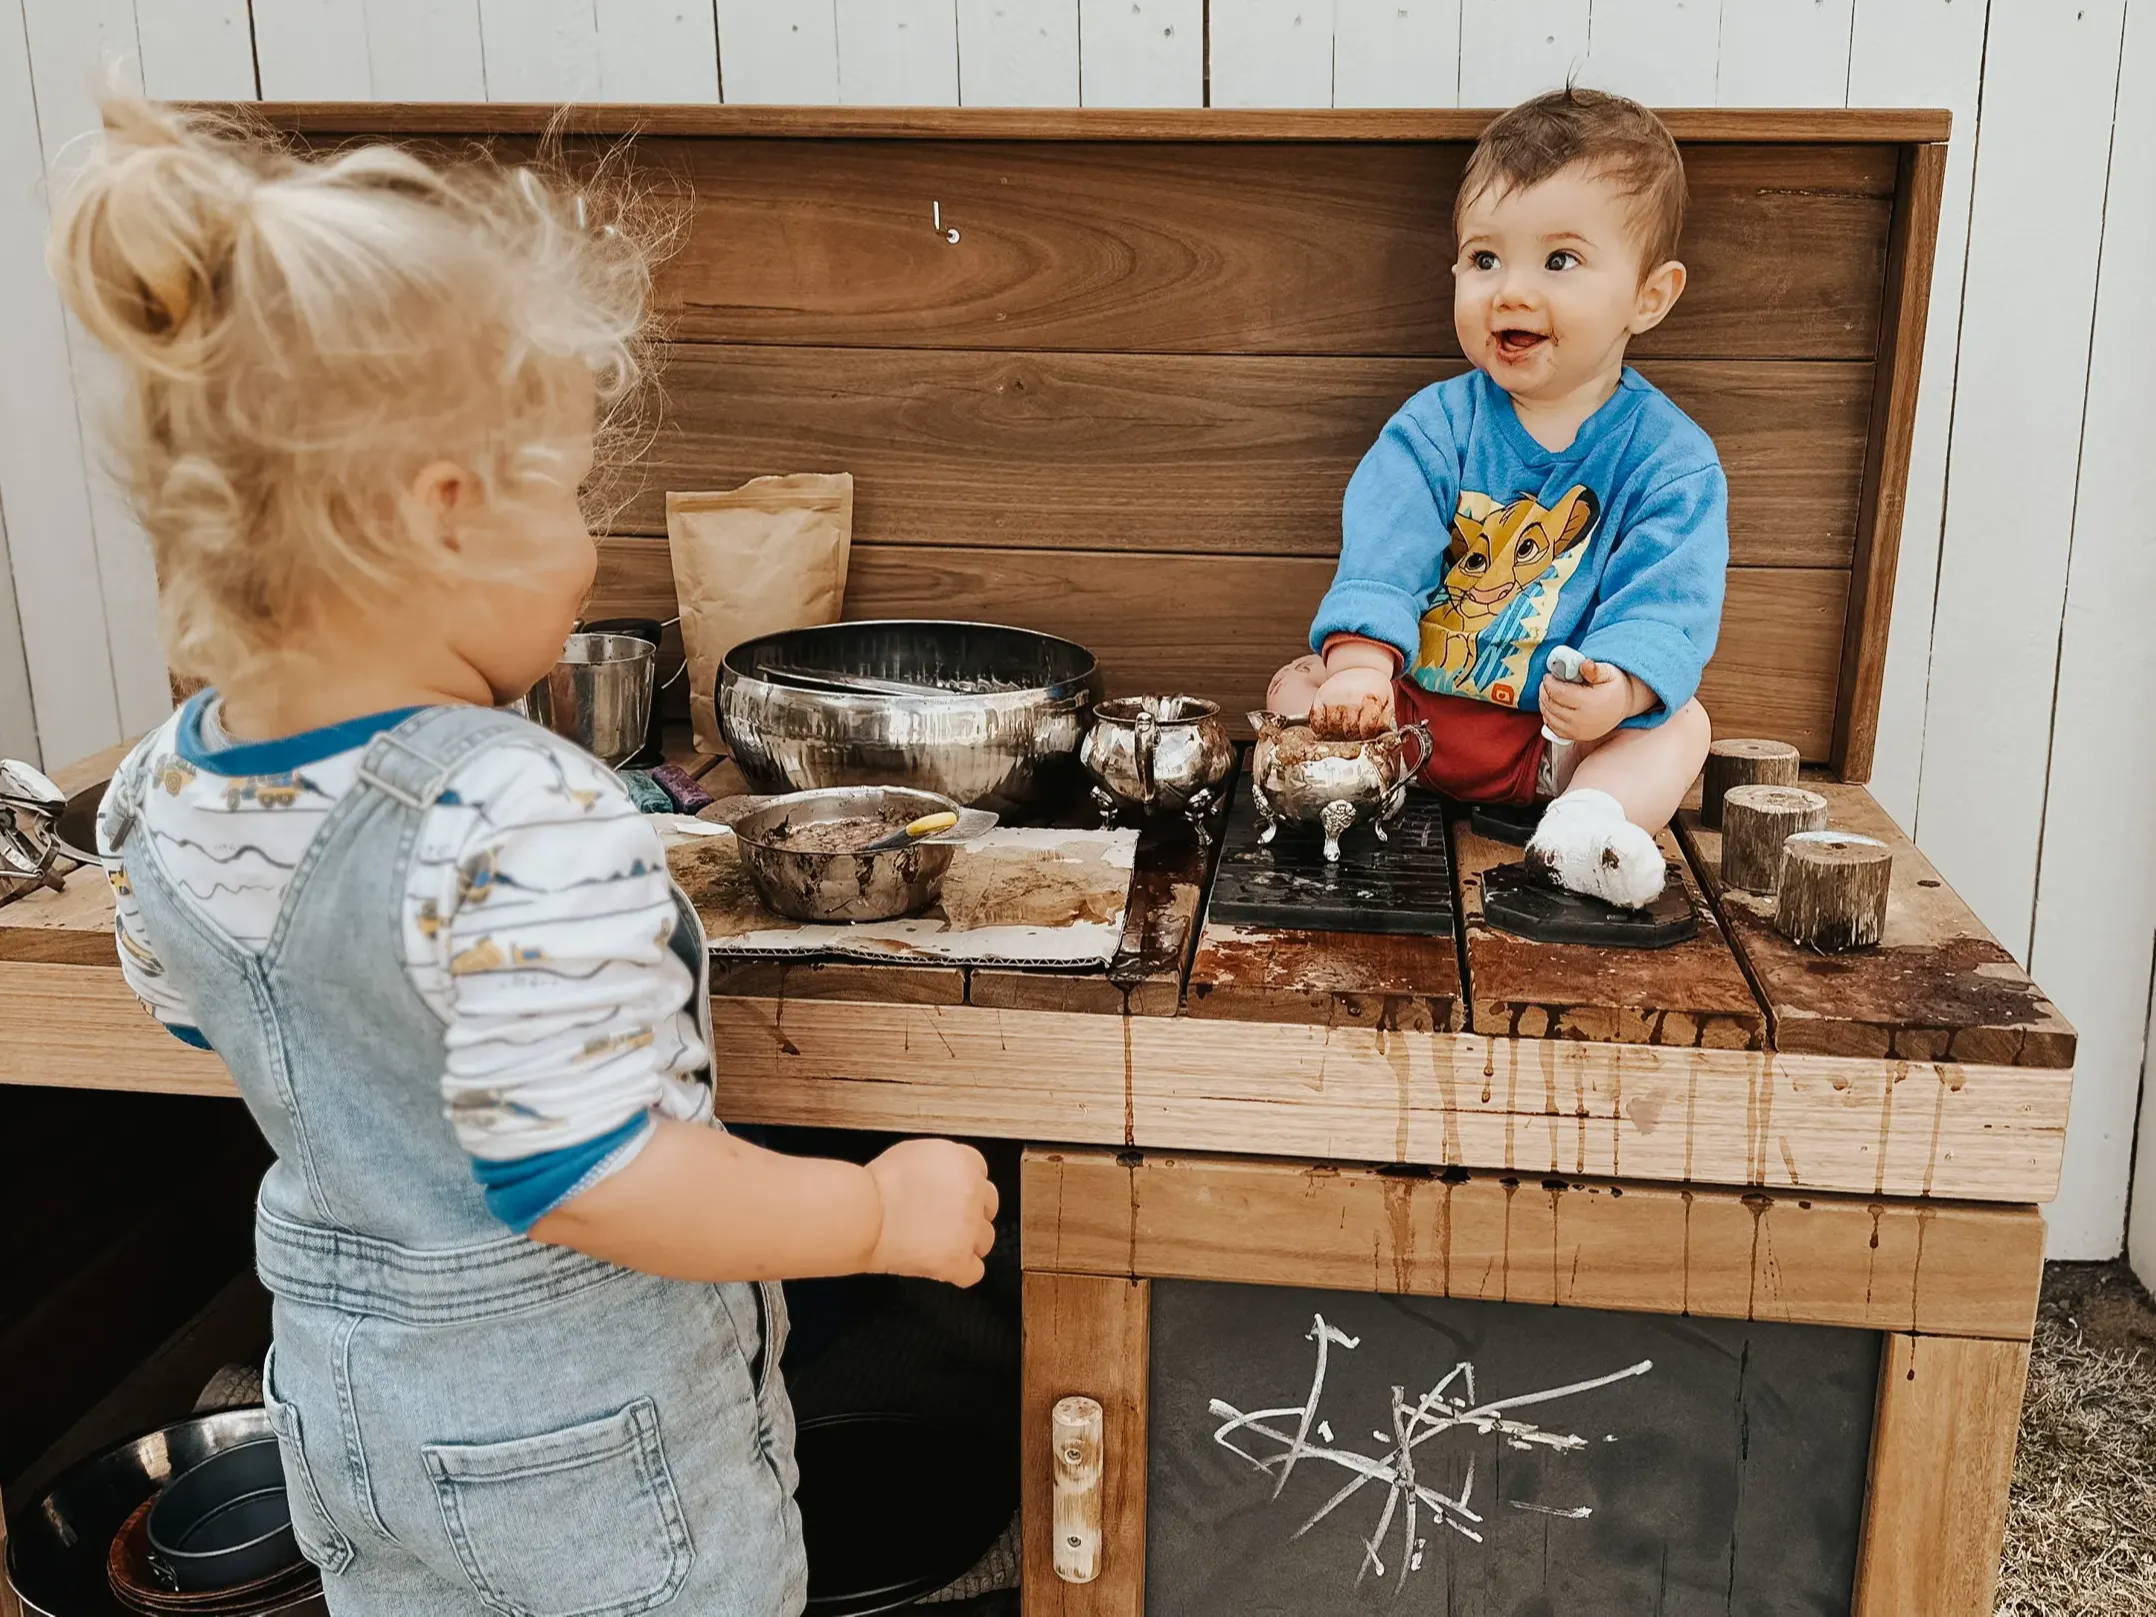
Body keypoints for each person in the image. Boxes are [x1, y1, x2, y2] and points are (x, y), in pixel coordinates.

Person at [57, 98, 995, 1615]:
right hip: (586, 1455)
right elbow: (595, 1175)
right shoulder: (515, 807)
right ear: (442, 514)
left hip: (351, 1425)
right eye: (566, 494)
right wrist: (876, 1212)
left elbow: (216, 1007)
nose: (583, 551)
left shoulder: (164, 784)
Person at [1270, 87, 1725, 908]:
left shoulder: (1670, 461)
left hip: (1554, 741)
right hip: (1406, 719)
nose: (1510, 292)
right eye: (1485, 260)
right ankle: (1347, 787)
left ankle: (1582, 831)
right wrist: (1363, 670)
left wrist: (1618, 689)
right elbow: (1385, 551)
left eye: (1560, 261)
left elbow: (1668, 605)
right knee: (1296, 687)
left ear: (1648, 297)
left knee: (1682, 726)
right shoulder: (1434, 428)